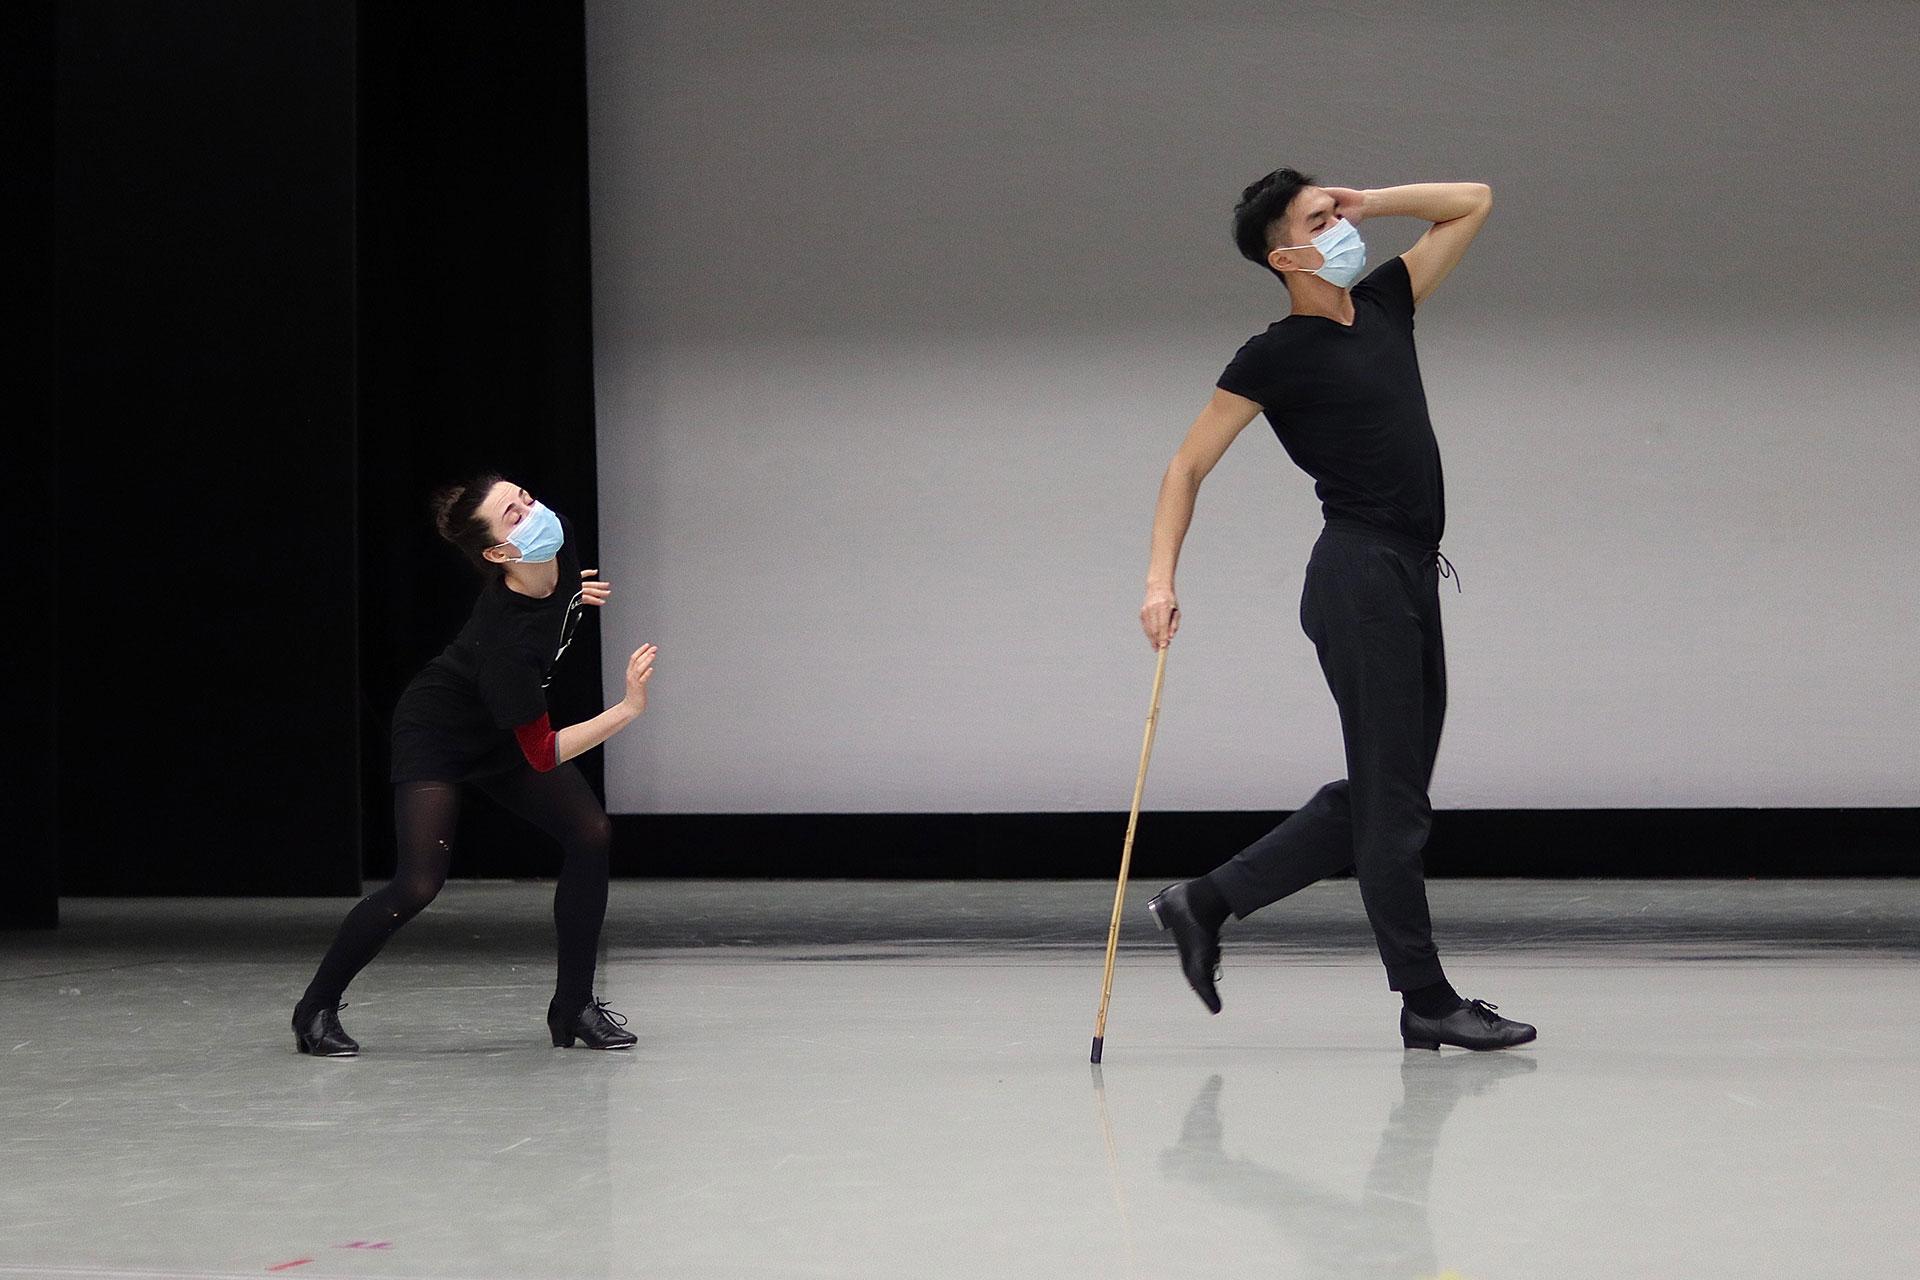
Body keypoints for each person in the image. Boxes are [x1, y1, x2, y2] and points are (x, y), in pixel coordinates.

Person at [1139, 171, 1535, 1051]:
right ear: (1285, 256)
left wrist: (1369, 200)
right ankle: (1426, 1000)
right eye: (1321, 221)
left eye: (1339, 213)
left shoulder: (1388, 302)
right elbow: (1186, 466)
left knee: (1386, 797)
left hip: (1409, 575)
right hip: (1356, 576)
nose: (1344, 227)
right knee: (1392, 809)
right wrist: (1160, 580)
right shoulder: (1274, 355)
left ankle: (1204, 900)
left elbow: (1473, 199)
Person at [291, 475, 657, 1056]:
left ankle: (573, 1009)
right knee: (419, 883)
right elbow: (541, 752)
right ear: (497, 554)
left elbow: (552, 608)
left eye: (526, 499)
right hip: (440, 731)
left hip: (500, 725)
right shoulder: (503, 643)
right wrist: (629, 709)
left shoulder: (558, 546)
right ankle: (313, 1010)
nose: (533, 512)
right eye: (513, 516)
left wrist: (569, 597)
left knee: (590, 833)